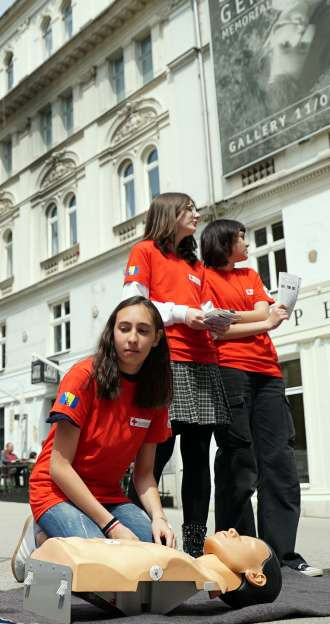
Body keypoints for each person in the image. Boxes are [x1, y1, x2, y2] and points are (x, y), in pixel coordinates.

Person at [11, 296, 175, 582]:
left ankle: (70, 534)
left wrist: (159, 518)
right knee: (102, 561)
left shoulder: (156, 392)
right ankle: (40, 536)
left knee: (159, 557)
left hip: (108, 496)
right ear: (112, 332)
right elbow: (59, 467)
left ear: (157, 338)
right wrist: (111, 526)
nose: (133, 338)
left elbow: (145, 474)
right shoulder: (84, 376)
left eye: (143, 330)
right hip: (55, 491)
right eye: (124, 328)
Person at [200, 219, 323, 577]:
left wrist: (246, 319)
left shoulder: (249, 275)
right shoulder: (203, 277)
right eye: (241, 238)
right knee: (239, 463)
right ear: (224, 241)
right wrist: (259, 321)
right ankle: (239, 553)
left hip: (268, 373)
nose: (247, 244)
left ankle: (282, 555)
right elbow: (216, 332)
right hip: (230, 372)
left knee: (280, 463)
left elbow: (262, 313)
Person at [121, 192, 231, 557]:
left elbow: (203, 308)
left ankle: (196, 547)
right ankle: (130, 531)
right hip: (167, 361)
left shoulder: (195, 265)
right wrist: (183, 315)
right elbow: (136, 304)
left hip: (203, 361)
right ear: (170, 214)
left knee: (199, 456)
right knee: (158, 451)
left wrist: (214, 318)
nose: (197, 215)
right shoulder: (145, 252)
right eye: (189, 210)